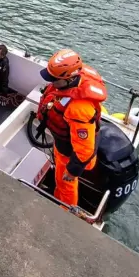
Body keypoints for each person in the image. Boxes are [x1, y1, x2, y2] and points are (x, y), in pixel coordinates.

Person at [36, 49, 108, 207]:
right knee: (59, 179)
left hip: (69, 152)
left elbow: (84, 148)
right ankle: (57, 197)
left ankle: (65, 210)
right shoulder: (73, 79)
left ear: (69, 79)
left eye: (55, 79)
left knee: (66, 184)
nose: (51, 83)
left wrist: (72, 170)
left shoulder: (78, 109)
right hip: (62, 144)